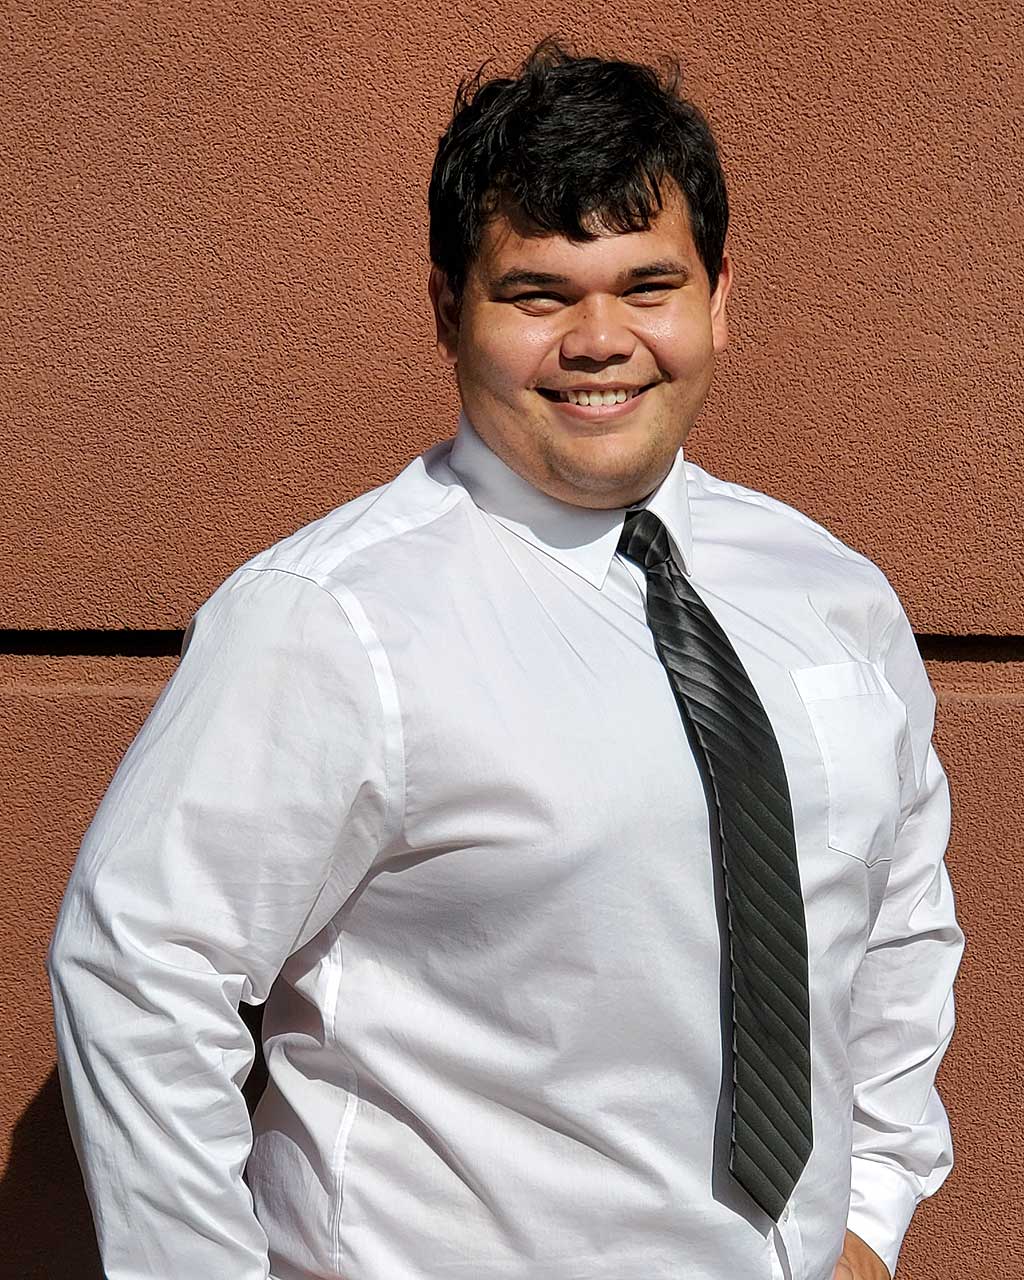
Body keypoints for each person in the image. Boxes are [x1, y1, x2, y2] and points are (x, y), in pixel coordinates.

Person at [48, 38, 963, 1280]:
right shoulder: (332, 617)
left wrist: (866, 1213)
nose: (601, 339)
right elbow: (137, 968)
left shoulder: (831, 594)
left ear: (719, 299)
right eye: (538, 294)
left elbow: (895, 931)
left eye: (649, 285)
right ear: (447, 308)